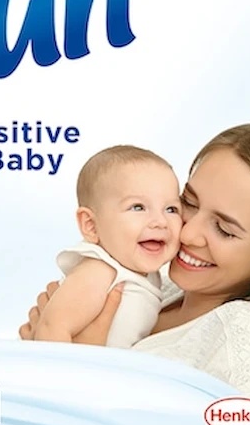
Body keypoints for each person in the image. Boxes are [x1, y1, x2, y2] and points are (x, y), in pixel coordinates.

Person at [21, 123, 250, 410]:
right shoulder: (157, 282)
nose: (187, 234)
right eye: (187, 203)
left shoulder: (246, 333)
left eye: (224, 230)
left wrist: (80, 360)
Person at [34, 145, 182, 348]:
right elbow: (51, 328)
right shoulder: (99, 270)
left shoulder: (150, 276)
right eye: (138, 207)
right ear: (91, 225)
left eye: (171, 209)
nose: (160, 221)